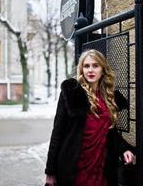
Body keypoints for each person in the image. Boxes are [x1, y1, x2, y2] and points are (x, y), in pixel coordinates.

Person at [45, 49, 135, 186]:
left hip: (101, 165)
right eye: (86, 66)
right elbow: (57, 132)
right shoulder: (71, 93)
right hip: (74, 165)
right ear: (81, 69)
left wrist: (124, 149)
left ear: (103, 69)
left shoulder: (110, 97)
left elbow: (110, 132)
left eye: (95, 65)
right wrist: (50, 171)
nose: (90, 70)